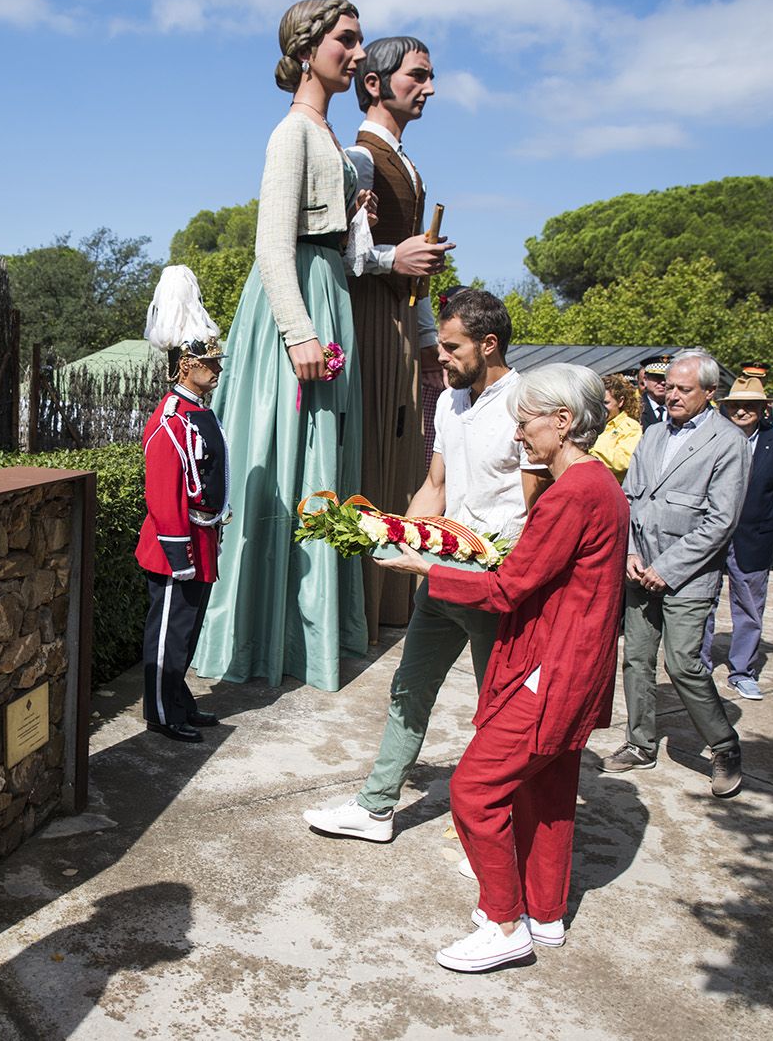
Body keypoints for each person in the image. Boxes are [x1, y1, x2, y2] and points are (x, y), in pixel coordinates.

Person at [374, 364, 627, 971]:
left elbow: (507, 589)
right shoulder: (598, 485)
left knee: (474, 790)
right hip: (575, 665)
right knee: (549, 792)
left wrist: (427, 570)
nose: (518, 436)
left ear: (563, 422)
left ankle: (503, 921)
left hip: (553, 668)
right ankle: (544, 915)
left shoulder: (572, 493)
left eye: (525, 422)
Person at [303, 288, 547, 841]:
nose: (439, 354)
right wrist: (394, 540)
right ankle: (376, 809)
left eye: (452, 346)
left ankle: (498, 834)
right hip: (439, 576)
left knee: (499, 712)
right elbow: (435, 486)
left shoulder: (523, 403)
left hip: (492, 585)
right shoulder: (447, 400)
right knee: (407, 691)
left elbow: (538, 508)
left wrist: (517, 581)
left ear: (489, 345)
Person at [192, 0, 376, 692]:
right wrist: (298, 331)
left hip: (328, 292)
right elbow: (271, 243)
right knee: (280, 454)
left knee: (321, 464)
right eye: (346, 40)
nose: (358, 54)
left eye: (360, 42)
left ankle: (307, 636)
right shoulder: (291, 134)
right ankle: (259, 637)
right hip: (296, 304)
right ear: (308, 49)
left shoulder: (326, 136)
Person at [344, 35, 453, 643]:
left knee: (401, 459)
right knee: (371, 459)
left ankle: (387, 604)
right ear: (375, 84)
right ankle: (357, 605)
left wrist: (429, 340)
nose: (430, 88)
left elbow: (415, 275)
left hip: (401, 333)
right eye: (418, 76)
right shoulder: (358, 159)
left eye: (431, 77)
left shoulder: (407, 164)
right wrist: (396, 257)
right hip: (365, 325)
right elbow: (344, 255)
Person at [602, 349, 749, 797]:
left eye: (685, 390)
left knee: (683, 664)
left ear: (710, 392)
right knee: (636, 659)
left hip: (687, 576)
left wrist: (666, 569)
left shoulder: (728, 442)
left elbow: (721, 522)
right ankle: (640, 743)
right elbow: (629, 499)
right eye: (669, 388)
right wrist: (628, 552)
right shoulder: (652, 435)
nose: (673, 396)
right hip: (639, 570)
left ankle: (724, 746)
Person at [136, 267, 229, 743]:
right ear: (185, 365)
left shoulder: (197, 412)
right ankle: (159, 710)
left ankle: (178, 699)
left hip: (200, 539)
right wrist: (179, 555)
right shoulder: (172, 419)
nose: (216, 367)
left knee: (186, 632)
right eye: (209, 361)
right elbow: (163, 494)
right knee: (168, 634)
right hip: (177, 547)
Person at [699, 369, 773, 701]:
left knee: (750, 607)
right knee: (703, 602)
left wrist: (764, 528)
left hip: (754, 538)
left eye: (749, 406)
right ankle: (699, 665)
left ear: (763, 409)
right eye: (735, 405)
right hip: (710, 536)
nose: (741, 411)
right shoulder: (711, 438)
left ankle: (742, 671)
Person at [591, 373, 643, 483]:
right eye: (597, 403)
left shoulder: (630, 427)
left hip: (614, 489)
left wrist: (589, 450)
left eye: (605, 403)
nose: (600, 408)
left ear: (620, 401)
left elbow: (623, 460)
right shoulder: (590, 424)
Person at [637, 355, 671, 428]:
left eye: (666, 378)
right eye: (657, 377)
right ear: (645, 380)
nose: (663, 382)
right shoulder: (635, 408)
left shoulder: (678, 407)